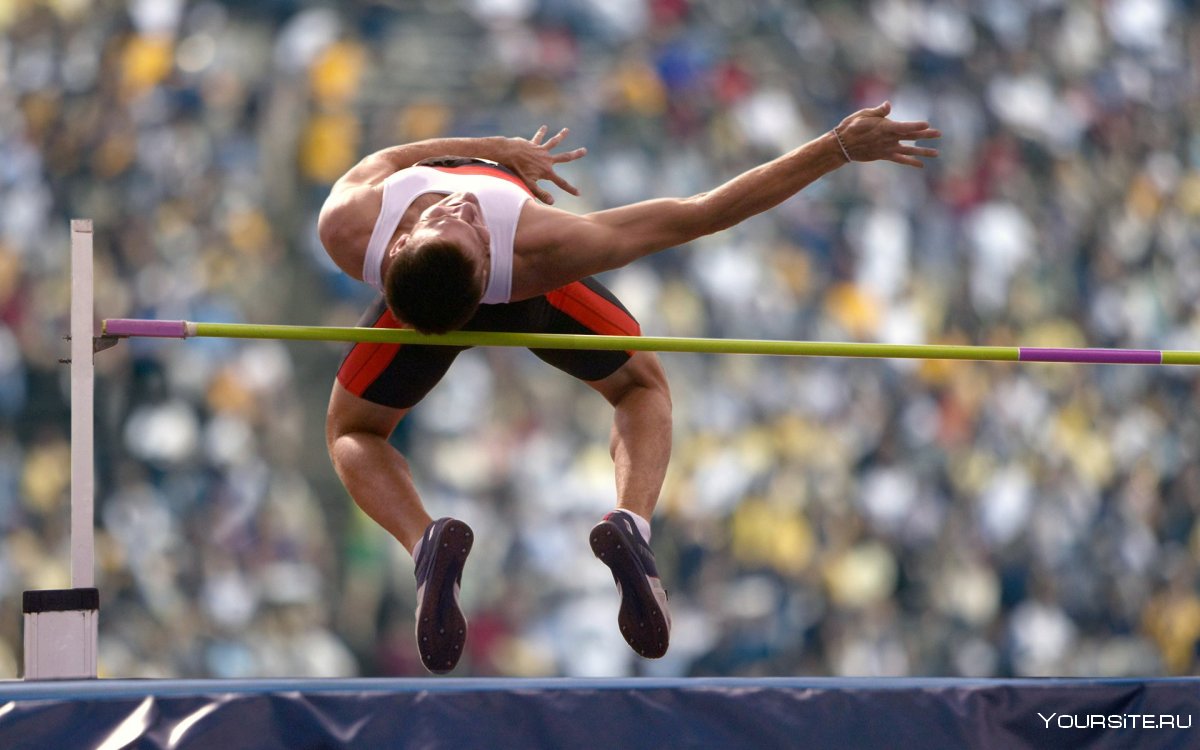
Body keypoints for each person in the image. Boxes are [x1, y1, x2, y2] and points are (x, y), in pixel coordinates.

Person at [318, 103, 940, 673]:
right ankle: (631, 524)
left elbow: (394, 159)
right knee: (642, 388)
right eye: (465, 227)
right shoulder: (542, 246)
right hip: (535, 289)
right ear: (484, 268)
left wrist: (493, 147)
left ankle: (424, 542)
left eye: (459, 217)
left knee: (353, 431)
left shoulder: (347, 225)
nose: (465, 209)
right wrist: (837, 146)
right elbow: (702, 212)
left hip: (421, 310)